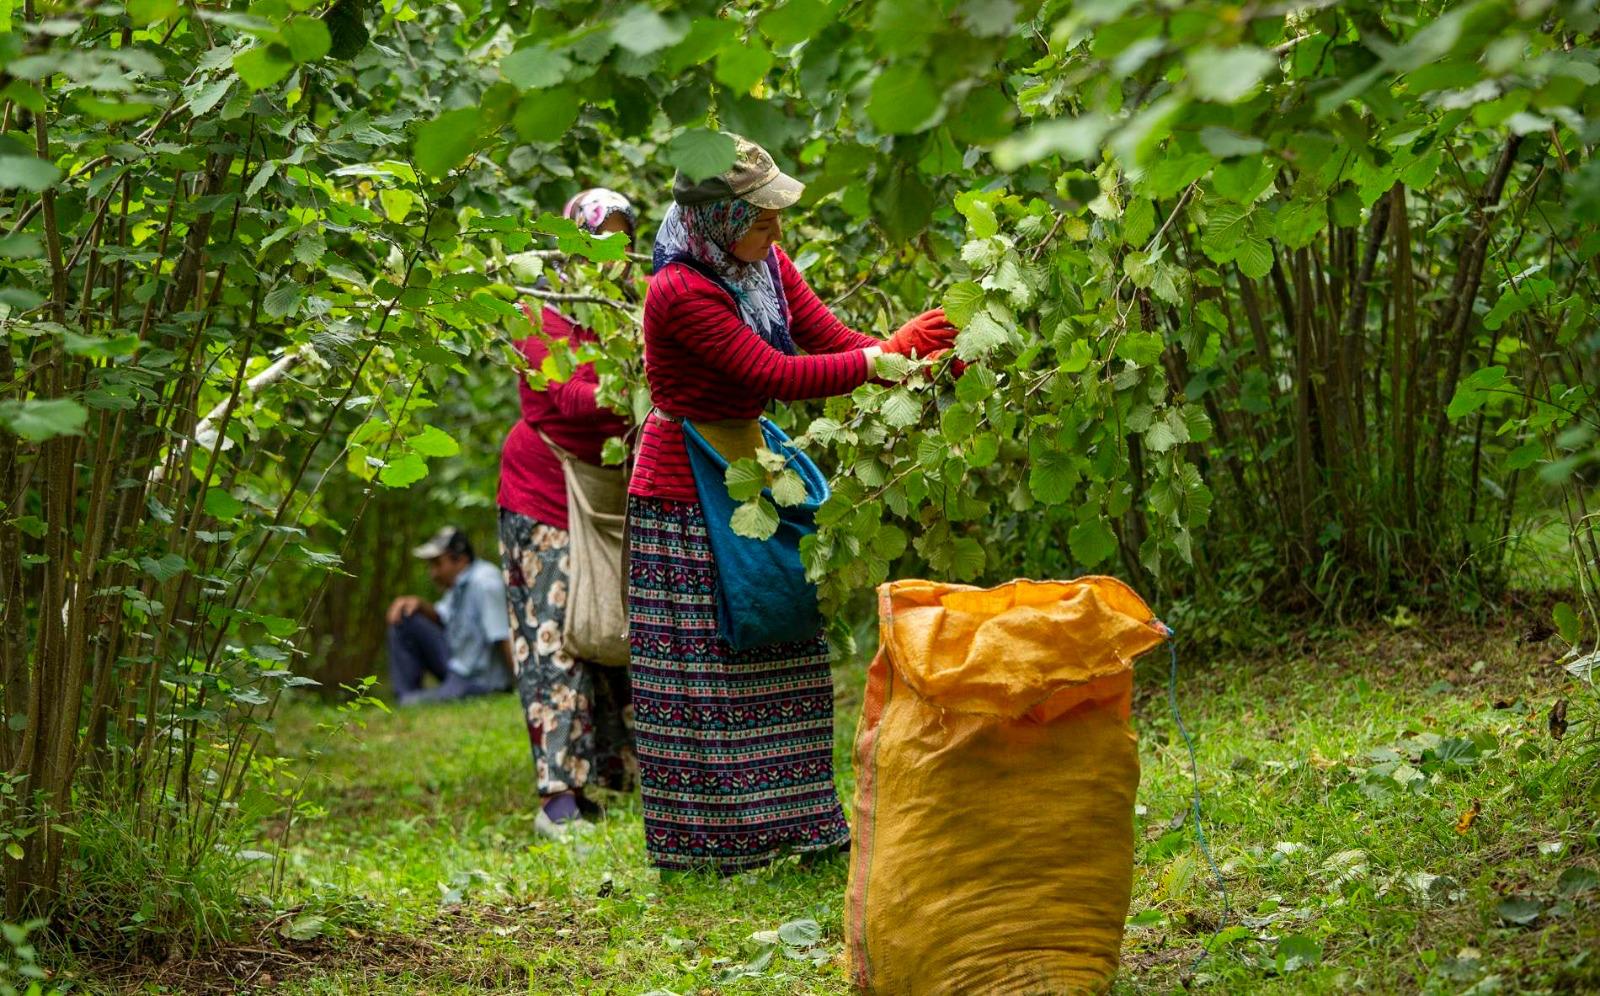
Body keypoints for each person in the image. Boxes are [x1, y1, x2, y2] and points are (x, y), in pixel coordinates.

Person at [626, 135, 959, 871]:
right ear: (717, 217)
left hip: (751, 465)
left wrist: (912, 364)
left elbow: (832, 340)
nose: (778, 230)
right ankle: (715, 846)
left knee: (782, 633)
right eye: (763, 217)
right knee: (710, 662)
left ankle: (800, 827)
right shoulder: (678, 290)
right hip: (687, 484)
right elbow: (776, 370)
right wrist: (880, 358)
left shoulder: (764, 266)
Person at [498, 188, 639, 839]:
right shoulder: (541, 314)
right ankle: (558, 796)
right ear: (572, 245)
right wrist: (641, 384)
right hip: (543, 493)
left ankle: (617, 770)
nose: (610, 254)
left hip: (610, 496)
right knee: (554, 635)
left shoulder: (629, 313)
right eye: (597, 240)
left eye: (621, 239)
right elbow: (570, 397)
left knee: (612, 628)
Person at [386, 526, 513, 705]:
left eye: (438, 564)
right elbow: (441, 617)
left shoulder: (485, 583)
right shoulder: (459, 584)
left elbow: (503, 637)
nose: (433, 573)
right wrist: (419, 605)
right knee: (405, 620)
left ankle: (409, 701)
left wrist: (523, 688)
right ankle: (406, 696)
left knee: (412, 703)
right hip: (458, 666)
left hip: (479, 681)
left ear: (460, 560)